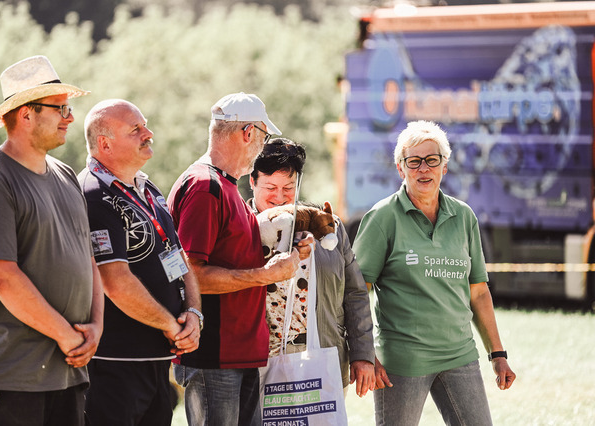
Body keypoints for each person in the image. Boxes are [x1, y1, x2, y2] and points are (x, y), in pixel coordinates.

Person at [0, 55, 103, 425]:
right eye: (60, 108)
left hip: (67, 372)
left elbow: (88, 259)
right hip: (12, 376)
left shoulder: (66, 175)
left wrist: (96, 327)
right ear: (26, 114)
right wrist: (67, 336)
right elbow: (3, 278)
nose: (70, 118)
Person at [353, 120, 516, 425]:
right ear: (400, 168)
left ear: (445, 166)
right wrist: (364, 354)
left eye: (432, 160)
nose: (423, 169)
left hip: (460, 355)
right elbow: (357, 291)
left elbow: (479, 292)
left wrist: (498, 354)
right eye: (414, 161)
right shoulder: (382, 218)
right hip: (401, 362)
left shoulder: (464, 217)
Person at [167, 92, 308, 425]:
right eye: (262, 138)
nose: (261, 149)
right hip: (215, 356)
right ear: (248, 133)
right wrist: (267, 275)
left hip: (239, 355)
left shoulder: (225, 186)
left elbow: (235, 258)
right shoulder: (205, 186)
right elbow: (191, 275)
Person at [80, 99, 202, 425]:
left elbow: (179, 258)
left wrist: (194, 313)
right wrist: (172, 326)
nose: (148, 133)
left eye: (145, 125)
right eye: (135, 129)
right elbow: (115, 282)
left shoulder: (146, 188)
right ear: (105, 143)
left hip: (158, 361)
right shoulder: (94, 193)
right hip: (115, 364)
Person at [247, 138, 376, 399]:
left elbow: (355, 293)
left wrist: (363, 354)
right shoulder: (239, 227)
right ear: (252, 181)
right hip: (259, 364)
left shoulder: (328, 227)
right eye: (270, 187)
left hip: (324, 357)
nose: (280, 197)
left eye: (288, 187)